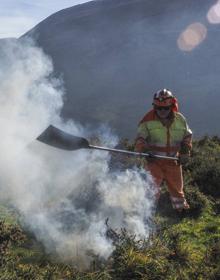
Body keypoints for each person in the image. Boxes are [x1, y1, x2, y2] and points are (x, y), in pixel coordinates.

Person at [135, 89, 192, 211]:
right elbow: (140, 138)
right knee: (151, 189)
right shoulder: (147, 120)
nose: (162, 111)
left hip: (173, 160)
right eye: (158, 108)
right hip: (154, 160)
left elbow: (187, 136)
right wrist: (145, 150)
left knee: (177, 189)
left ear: (172, 106)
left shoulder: (180, 120)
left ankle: (181, 212)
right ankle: (147, 214)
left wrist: (185, 151)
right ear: (154, 106)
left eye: (165, 108)